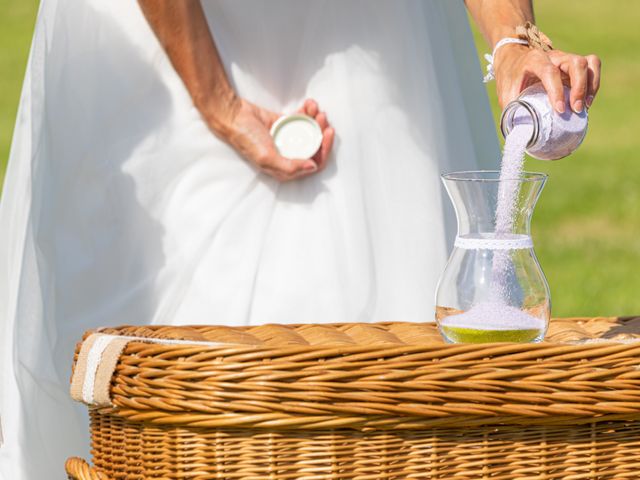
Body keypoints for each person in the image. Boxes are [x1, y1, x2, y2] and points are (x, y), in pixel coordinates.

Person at [0, 1, 600, 478]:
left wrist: (512, 37)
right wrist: (218, 103)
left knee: (394, 359)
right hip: (167, 41)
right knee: (177, 373)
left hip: (379, 33)